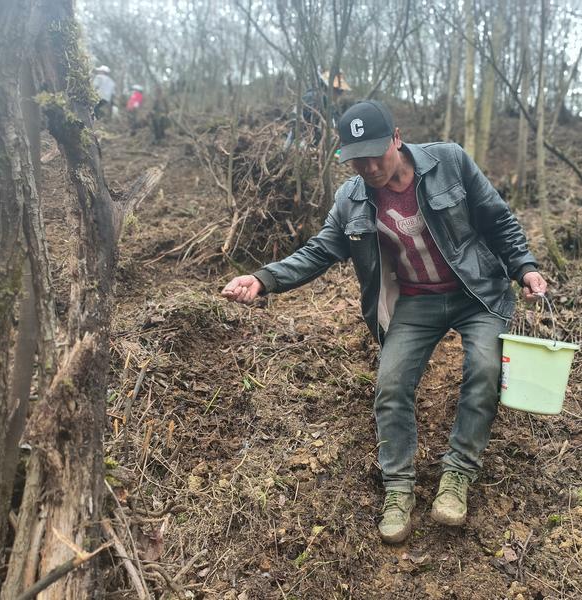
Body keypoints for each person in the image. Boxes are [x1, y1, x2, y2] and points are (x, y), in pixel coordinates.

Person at [222, 100, 547, 544]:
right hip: (415, 302)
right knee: (390, 384)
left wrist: (524, 267)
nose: (369, 166)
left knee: (486, 370)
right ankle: (398, 488)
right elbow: (320, 251)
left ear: (397, 138)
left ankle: (457, 475)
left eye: (376, 152)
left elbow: (498, 220)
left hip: (478, 293)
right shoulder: (351, 199)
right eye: (357, 158)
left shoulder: (448, 161)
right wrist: (263, 279)